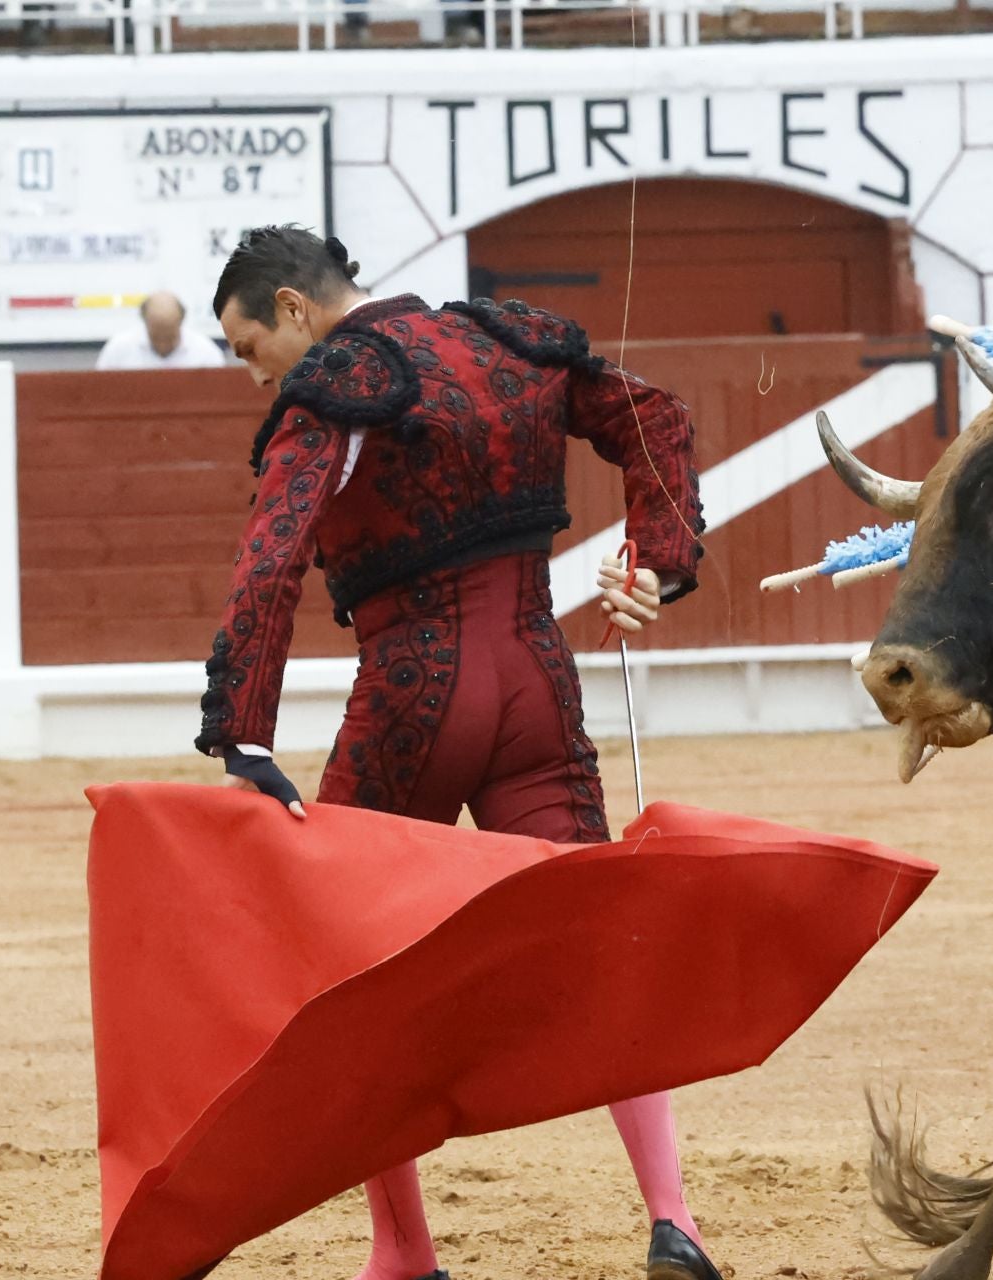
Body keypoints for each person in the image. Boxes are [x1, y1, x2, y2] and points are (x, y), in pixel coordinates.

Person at [195, 225, 717, 1280]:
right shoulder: (506, 342)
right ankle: (675, 1218)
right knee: (599, 941)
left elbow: (273, 556)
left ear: (295, 308)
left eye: (250, 345)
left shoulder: (336, 385)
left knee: (353, 967)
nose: (254, 371)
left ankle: (404, 1251)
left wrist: (244, 727)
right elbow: (657, 417)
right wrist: (655, 560)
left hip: (411, 696)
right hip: (537, 684)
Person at [95, 291, 228, 370]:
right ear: (145, 322)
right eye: (156, 336)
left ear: (181, 322)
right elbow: (98, 395)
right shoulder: (118, 350)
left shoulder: (205, 353)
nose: (162, 343)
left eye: (170, 336)